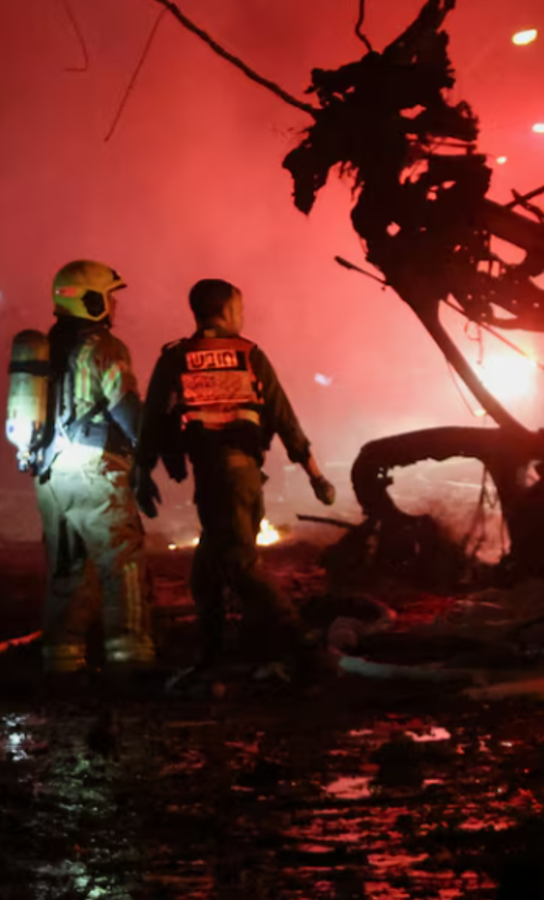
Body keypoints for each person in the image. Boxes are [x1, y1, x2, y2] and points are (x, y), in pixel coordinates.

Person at [137, 279, 337, 681]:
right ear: (227, 310)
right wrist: (315, 475)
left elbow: (153, 420)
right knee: (212, 572)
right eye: (240, 309)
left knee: (235, 563)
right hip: (241, 477)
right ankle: (290, 645)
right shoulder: (249, 355)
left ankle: (286, 645)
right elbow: (284, 418)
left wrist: (144, 472)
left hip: (216, 477)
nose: (242, 317)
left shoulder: (177, 357)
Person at [27, 260, 159, 687]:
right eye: (108, 296)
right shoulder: (105, 347)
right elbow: (127, 410)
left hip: (49, 474)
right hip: (93, 467)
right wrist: (149, 457)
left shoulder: (44, 348)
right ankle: (130, 657)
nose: (114, 304)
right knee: (122, 560)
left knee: (66, 567)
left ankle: (61, 662)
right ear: (91, 300)